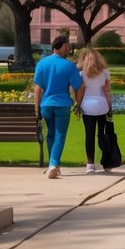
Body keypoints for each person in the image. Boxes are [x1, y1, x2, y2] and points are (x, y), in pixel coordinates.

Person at [33, 35, 82, 179]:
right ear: (59, 47)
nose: (68, 49)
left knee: (51, 134)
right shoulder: (69, 66)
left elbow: (38, 88)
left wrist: (36, 108)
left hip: (46, 104)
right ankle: (54, 164)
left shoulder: (42, 63)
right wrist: (78, 104)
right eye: (67, 47)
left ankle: (53, 165)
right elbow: (79, 87)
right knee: (60, 135)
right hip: (62, 105)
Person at [74, 48, 117, 172]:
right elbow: (107, 91)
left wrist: (78, 104)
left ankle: (90, 164)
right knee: (102, 134)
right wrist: (110, 107)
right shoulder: (104, 73)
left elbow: (81, 91)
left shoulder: (82, 74)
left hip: (87, 105)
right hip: (102, 105)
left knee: (89, 135)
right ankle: (107, 163)